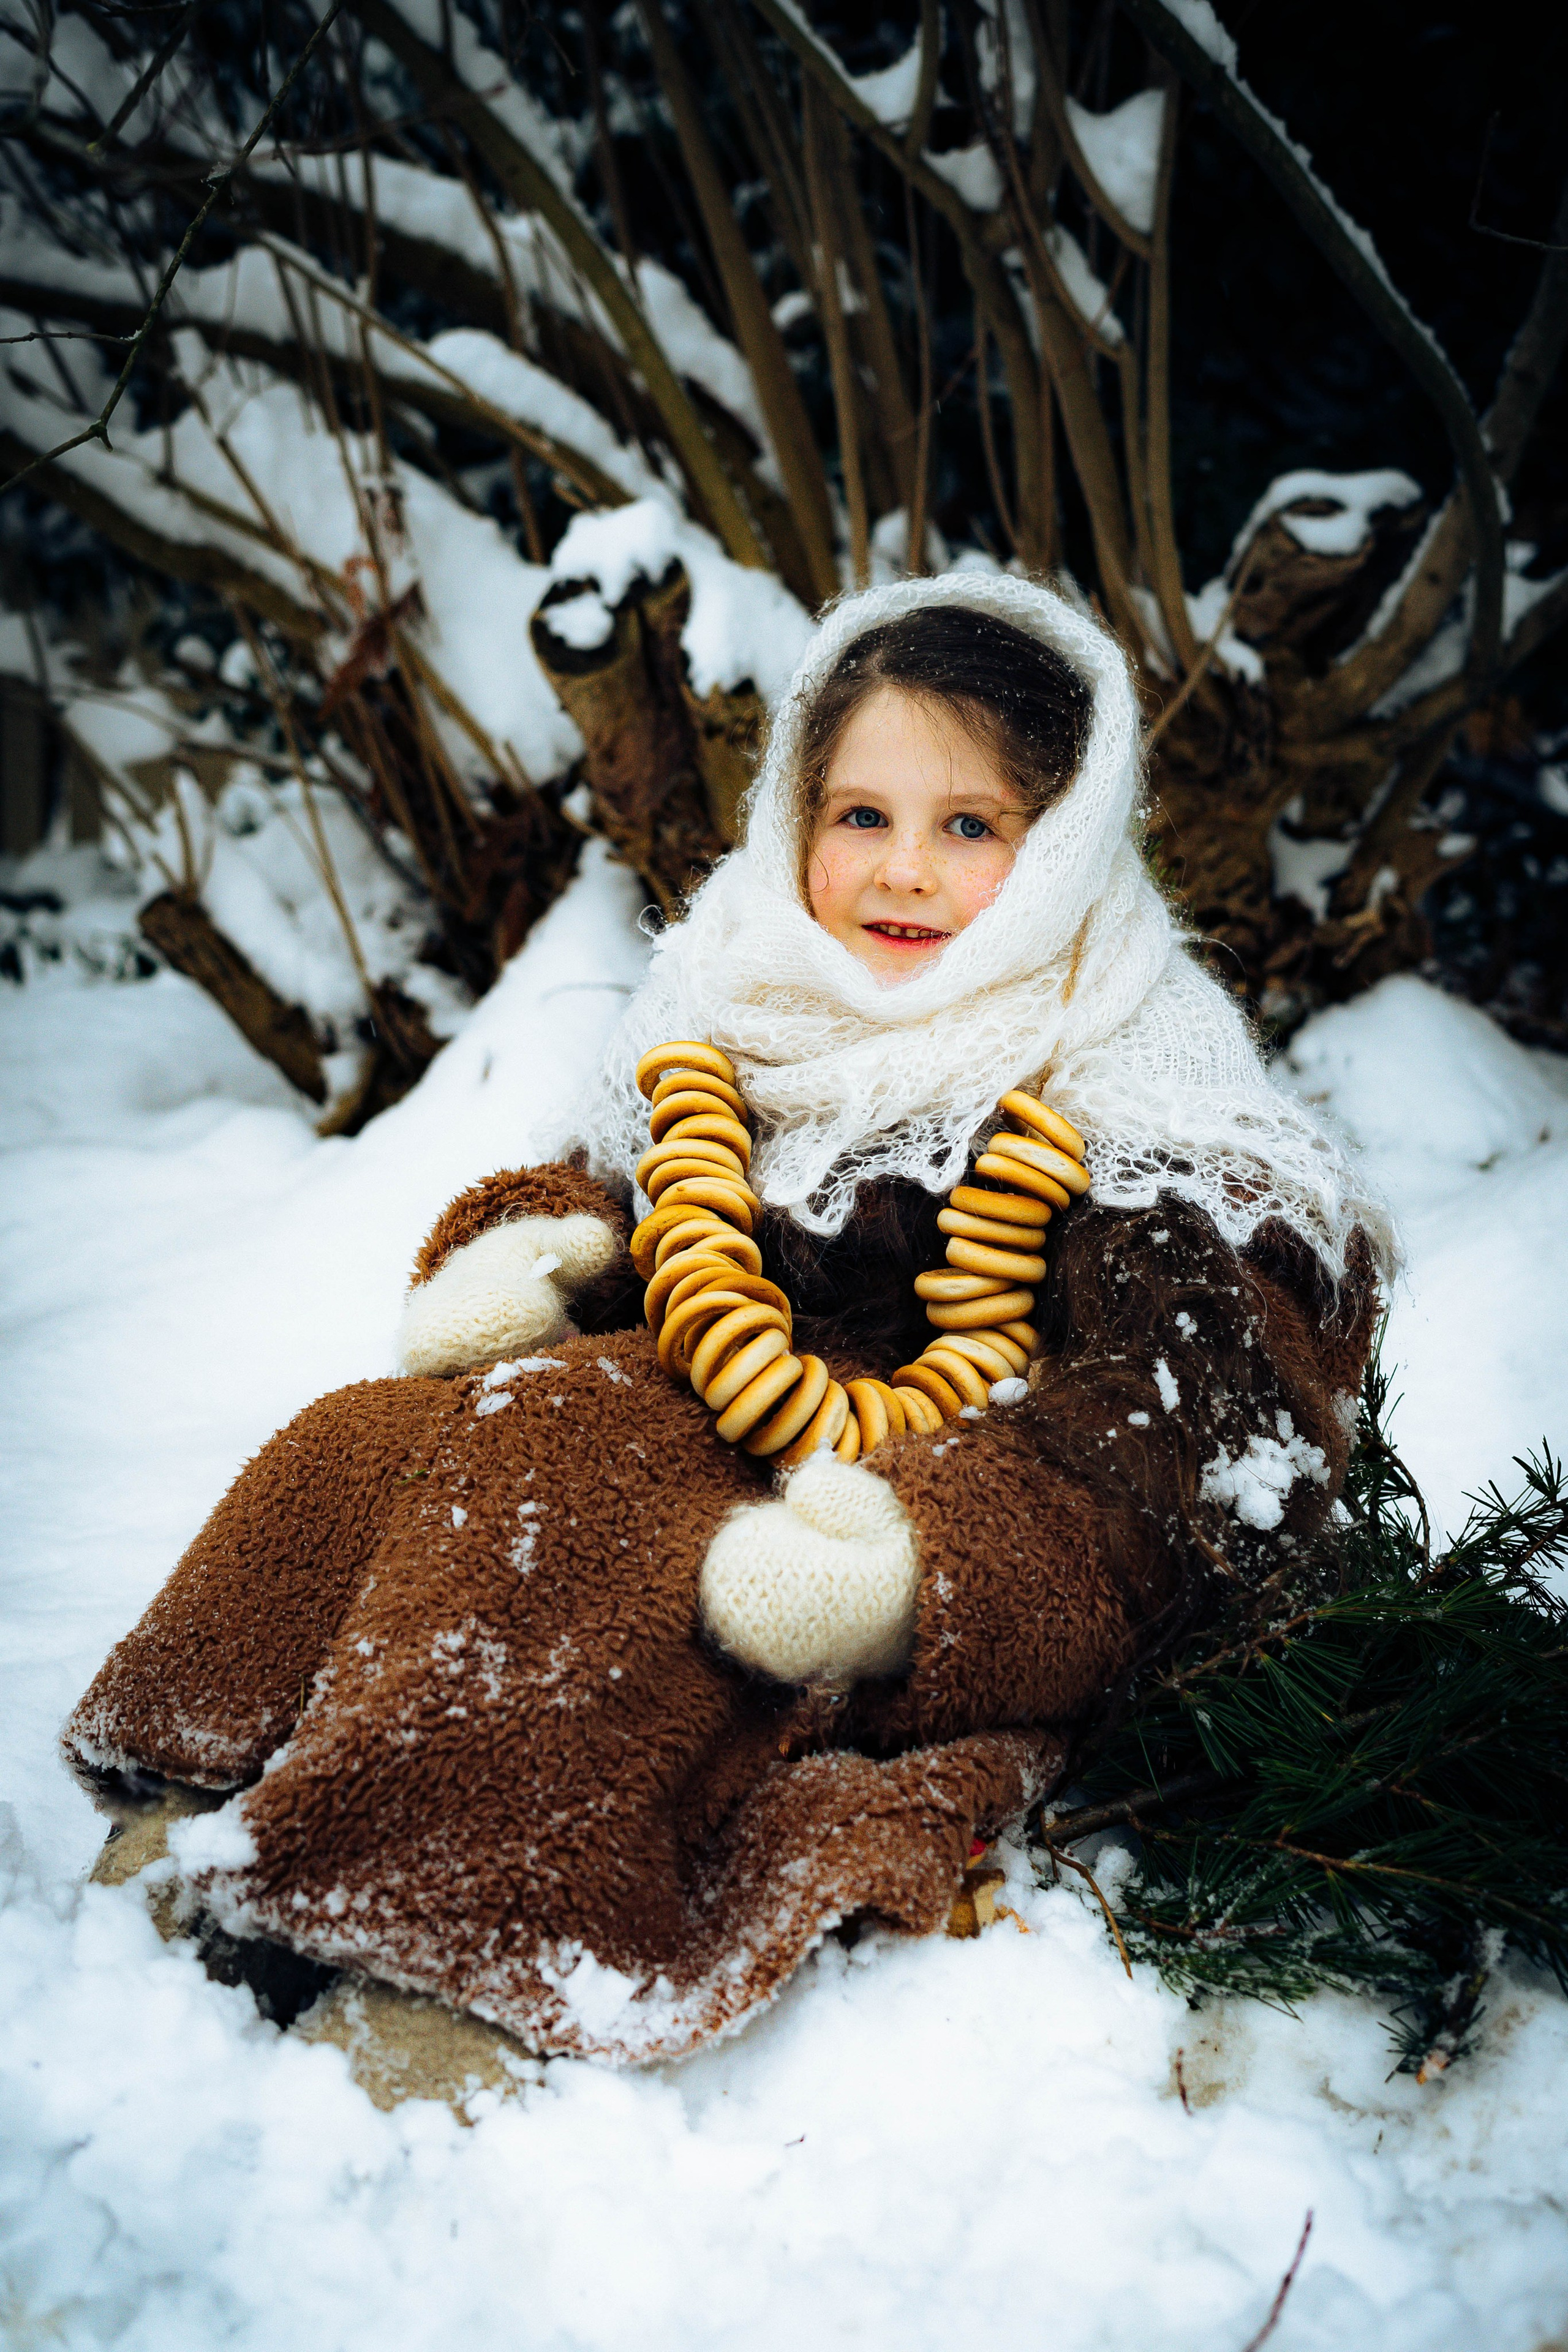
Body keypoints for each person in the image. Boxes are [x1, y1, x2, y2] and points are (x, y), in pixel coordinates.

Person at [65, 573, 1391, 2065]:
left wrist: (922, 1570)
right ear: (790, 816)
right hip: (675, 1398)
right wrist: (541, 1250)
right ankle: (204, 1790)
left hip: (886, 1498)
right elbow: (626, 1185)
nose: (899, 872)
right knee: (370, 1442)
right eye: (858, 816)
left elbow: (1197, 1435)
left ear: (1068, 842)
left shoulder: (1134, 1080)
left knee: (596, 1514)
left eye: (969, 827)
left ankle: (467, 1929)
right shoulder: (740, 989)